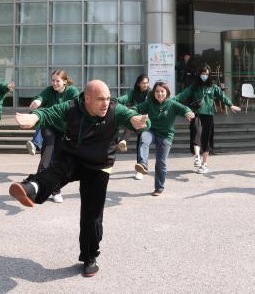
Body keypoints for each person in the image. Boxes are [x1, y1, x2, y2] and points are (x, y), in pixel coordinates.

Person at [9, 80, 150, 277]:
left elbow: (135, 118)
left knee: (92, 214)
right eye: (100, 99)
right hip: (74, 155)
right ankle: (31, 188)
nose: (105, 103)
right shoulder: (72, 107)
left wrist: (140, 122)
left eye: (108, 98)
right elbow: (49, 113)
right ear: (87, 99)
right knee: (57, 171)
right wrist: (35, 117)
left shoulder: (115, 109)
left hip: (100, 165)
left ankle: (90, 257)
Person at [25, 69, 80, 203]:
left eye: (57, 81)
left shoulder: (72, 91)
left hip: (64, 130)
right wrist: (37, 101)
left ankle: (55, 190)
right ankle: (35, 188)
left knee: (58, 161)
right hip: (49, 126)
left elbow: (76, 105)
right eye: (53, 80)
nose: (54, 83)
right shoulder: (49, 91)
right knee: (47, 153)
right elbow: (41, 97)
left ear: (65, 82)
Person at [175, 65, 241, 174]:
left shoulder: (213, 87)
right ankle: (197, 156)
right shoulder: (194, 86)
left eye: (206, 74)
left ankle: (204, 165)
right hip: (196, 114)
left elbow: (222, 97)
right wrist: (170, 101)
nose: (204, 76)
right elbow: (182, 95)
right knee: (196, 133)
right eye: (202, 73)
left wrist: (230, 105)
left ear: (209, 75)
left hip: (208, 115)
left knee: (206, 140)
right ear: (199, 74)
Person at [133, 81, 195, 195]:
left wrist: (188, 113)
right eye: (157, 91)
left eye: (162, 91)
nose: (160, 93)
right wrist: (132, 115)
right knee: (144, 138)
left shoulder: (172, 104)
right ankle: (142, 164)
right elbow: (136, 108)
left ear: (167, 92)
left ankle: (159, 188)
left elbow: (185, 109)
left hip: (166, 135)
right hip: (151, 130)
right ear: (153, 93)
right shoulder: (149, 103)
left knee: (160, 163)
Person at [117, 74, 151, 180]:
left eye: (147, 83)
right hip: (135, 118)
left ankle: (140, 169)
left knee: (141, 143)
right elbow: (124, 99)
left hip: (145, 120)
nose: (145, 85)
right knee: (129, 123)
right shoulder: (133, 93)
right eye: (143, 83)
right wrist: (114, 101)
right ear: (138, 83)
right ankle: (123, 141)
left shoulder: (151, 93)